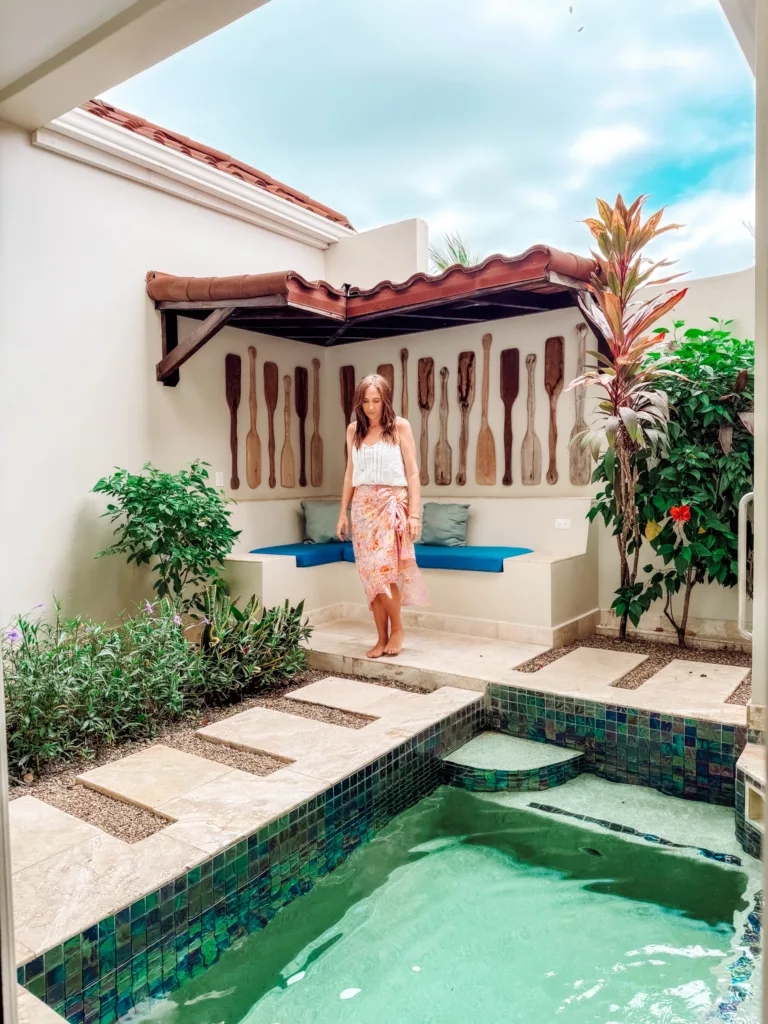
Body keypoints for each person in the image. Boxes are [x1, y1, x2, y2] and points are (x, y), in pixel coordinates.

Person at [336, 373, 429, 658]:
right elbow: (350, 474)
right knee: (370, 577)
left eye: (376, 400)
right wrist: (342, 514)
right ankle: (380, 637)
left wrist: (414, 515)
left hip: (391, 507)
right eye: (365, 401)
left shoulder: (399, 427)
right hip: (362, 509)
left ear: (385, 399)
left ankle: (398, 629)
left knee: (386, 574)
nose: (371, 407)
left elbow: (412, 472)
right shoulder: (354, 430)